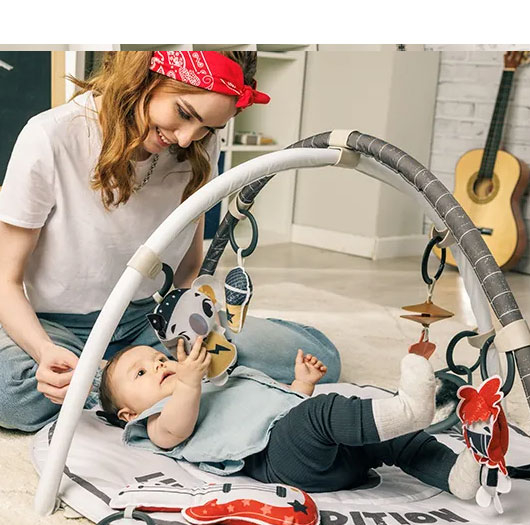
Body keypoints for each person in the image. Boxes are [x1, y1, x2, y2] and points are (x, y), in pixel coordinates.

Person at [0, 50, 340, 433]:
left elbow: (188, 267)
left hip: (147, 322)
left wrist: (193, 325)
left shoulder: (195, 147)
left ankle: (124, 386)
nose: (186, 137)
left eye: (208, 128)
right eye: (184, 113)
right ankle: (130, 383)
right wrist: (45, 351)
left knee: (320, 359)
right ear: (146, 77)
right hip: (57, 327)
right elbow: (5, 281)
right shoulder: (50, 136)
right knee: (13, 394)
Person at [98, 339, 481, 496]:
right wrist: (188, 382)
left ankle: (454, 475)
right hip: (279, 462)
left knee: (392, 438)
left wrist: (301, 384)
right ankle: (410, 410)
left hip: (324, 455)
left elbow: (276, 408)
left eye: (159, 358)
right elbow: (177, 428)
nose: (158, 365)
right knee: (320, 415)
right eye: (141, 373)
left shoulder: (210, 385)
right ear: (129, 412)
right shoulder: (154, 423)